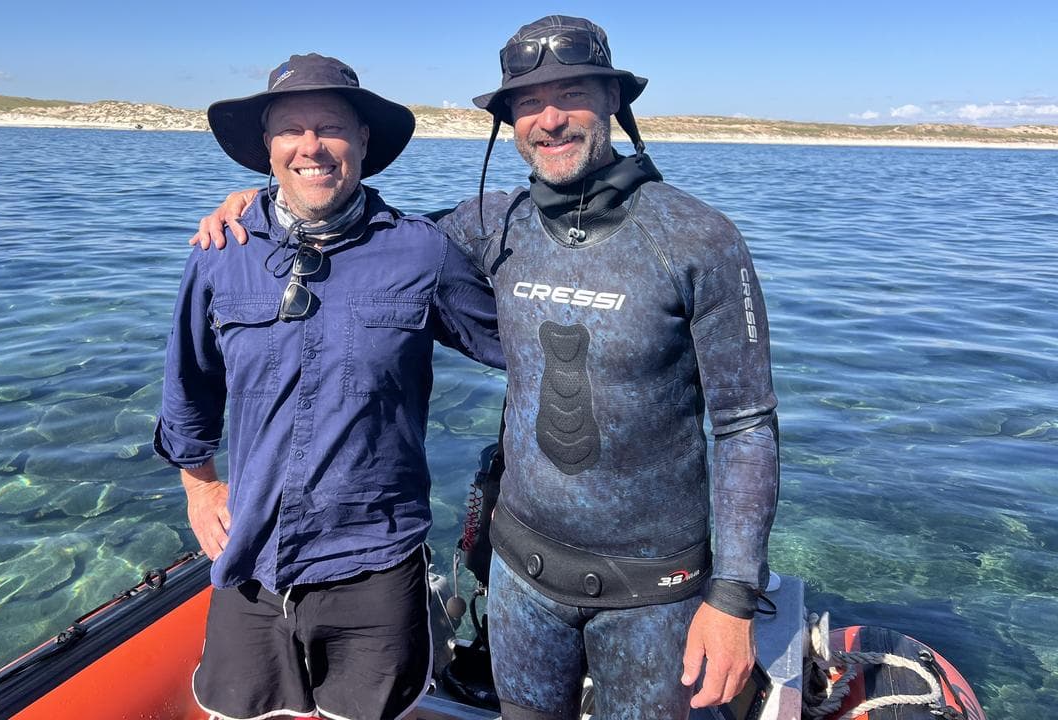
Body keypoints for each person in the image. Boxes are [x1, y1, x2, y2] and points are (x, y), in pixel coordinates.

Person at [194, 16, 779, 720]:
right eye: (529, 102)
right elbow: (360, 238)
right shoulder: (485, 224)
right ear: (508, 122)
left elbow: (746, 426)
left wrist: (734, 598)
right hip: (521, 579)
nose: (551, 117)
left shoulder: (699, 239)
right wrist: (260, 211)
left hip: (656, 591)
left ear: (614, 104)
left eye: (573, 93)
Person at [155, 53, 504, 720]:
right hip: (251, 558)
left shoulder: (422, 253)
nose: (310, 147)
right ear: (267, 144)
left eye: (331, 128)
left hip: (375, 562)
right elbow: (188, 386)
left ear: (364, 141)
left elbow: (515, 345)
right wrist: (199, 488)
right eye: (290, 129)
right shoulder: (218, 252)